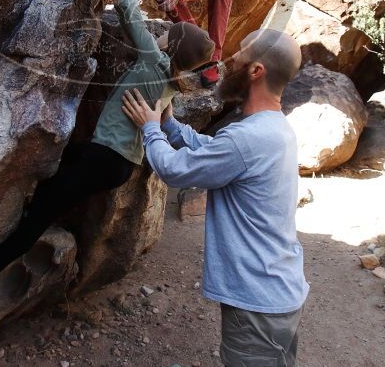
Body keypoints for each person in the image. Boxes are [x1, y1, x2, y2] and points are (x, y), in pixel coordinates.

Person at [0, 0, 216, 294]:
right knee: (53, 190)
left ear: (171, 46)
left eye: (168, 35)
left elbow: (133, 23)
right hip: (118, 164)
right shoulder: (170, 84)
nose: (160, 35)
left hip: (104, 157)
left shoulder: (154, 63)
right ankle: (30, 220)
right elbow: (164, 119)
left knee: (40, 214)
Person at [122, 29, 309, 367]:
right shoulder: (273, 128)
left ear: (256, 71)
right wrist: (172, 126)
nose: (229, 60)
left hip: (257, 302)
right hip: (278, 292)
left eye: (240, 54)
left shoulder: (249, 137)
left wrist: (149, 128)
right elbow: (219, 153)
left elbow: (176, 170)